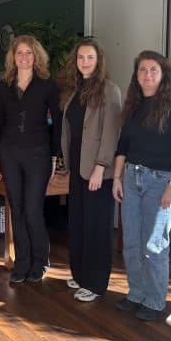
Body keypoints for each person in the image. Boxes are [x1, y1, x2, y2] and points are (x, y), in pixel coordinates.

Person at [112, 51, 171, 321]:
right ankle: (136, 293)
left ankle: (156, 300)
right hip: (131, 179)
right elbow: (123, 146)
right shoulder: (133, 106)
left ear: (163, 74)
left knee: (154, 244)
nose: (147, 75)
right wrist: (117, 178)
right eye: (142, 70)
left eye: (153, 70)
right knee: (131, 243)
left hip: (161, 182)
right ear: (136, 76)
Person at [0, 35, 61, 284]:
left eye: (28, 53)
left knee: (32, 209)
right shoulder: (4, 85)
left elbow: (58, 123)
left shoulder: (47, 85)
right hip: (9, 153)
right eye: (19, 53)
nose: (24, 57)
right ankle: (21, 262)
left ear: (36, 56)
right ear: (13, 57)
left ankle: (40, 261)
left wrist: (54, 156)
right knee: (17, 208)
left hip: (38, 154)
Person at [60, 38, 121, 303]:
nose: (84, 62)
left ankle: (95, 283)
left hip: (97, 171)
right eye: (81, 57)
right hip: (77, 167)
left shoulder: (109, 90)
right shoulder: (76, 90)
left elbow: (111, 132)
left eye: (90, 58)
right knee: (79, 223)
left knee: (97, 227)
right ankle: (81, 274)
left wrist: (101, 166)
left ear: (99, 61)